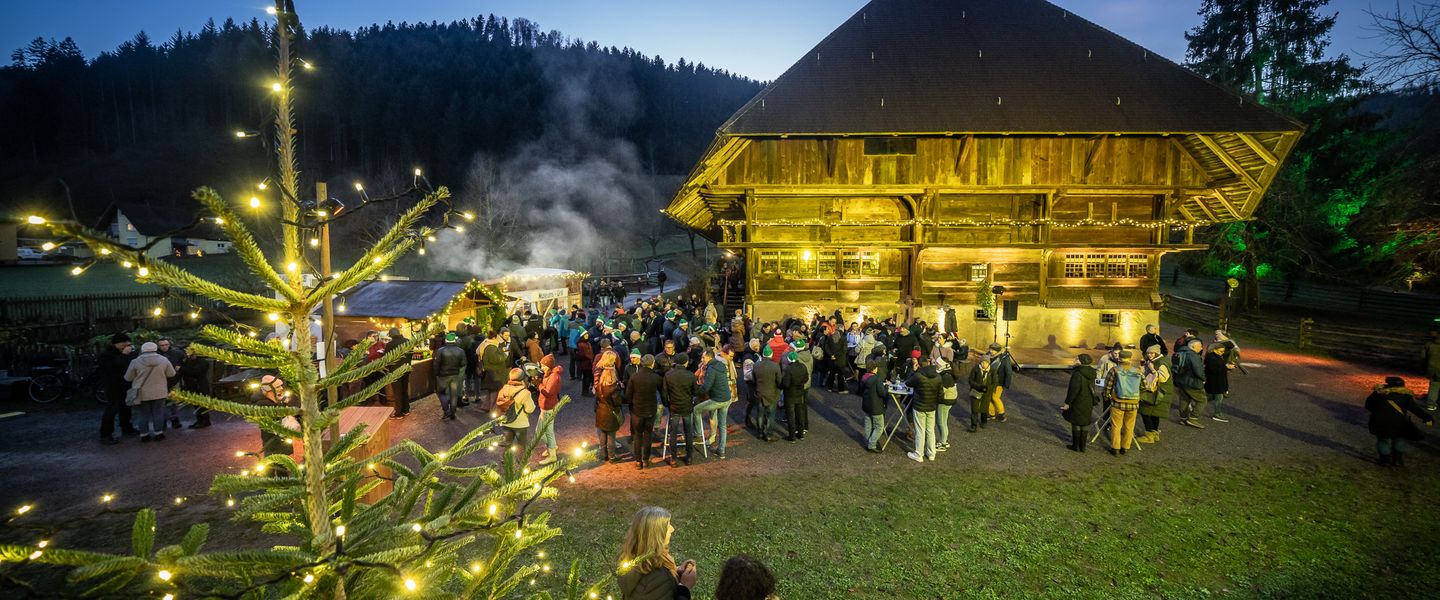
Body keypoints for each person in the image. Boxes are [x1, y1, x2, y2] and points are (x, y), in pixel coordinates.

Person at [616, 507, 697, 600]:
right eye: (668, 526)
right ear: (657, 536)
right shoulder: (660, 578)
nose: (672, 529)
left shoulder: (631, 562)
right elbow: (659, 583)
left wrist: (675, 573)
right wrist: (684, 586)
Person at [1364, 376, 1434, 466]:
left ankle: (1385, 461)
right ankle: (1397, 460)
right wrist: (1427, 418)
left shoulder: (1378, 394)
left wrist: (1379, 411)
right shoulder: (1406, 396)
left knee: (1383, 440)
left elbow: (1368, 405)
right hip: (1399, 422)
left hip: (1381, 422)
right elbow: (1416, 409)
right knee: (1399, 439)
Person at [124, 341, 176, 442]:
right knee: (158, 413)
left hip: (142, 392)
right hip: (160, 391)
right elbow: (171, 374)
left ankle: (144, 435)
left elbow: (128, 378)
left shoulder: (135, 361)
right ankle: (159, 433)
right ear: (156, 348)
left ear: (143, 350)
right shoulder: (164, 360)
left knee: (143, 414)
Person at [98, 333, 138, 444]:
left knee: (126, 407)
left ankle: (127, 428)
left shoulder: (127, 353)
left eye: (128, 344)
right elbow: (112, 367)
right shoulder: (106, 355)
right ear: (115, 344)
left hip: (125, 384)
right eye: (123, 344)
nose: (125, 346)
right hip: (113, 386)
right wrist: (124, 355)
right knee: (112, 409)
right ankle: (106, 435)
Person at [692, 348, 733, 458]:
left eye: (703, 357)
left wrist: (696, 392)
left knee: (696, 410)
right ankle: (721, 451)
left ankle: (698, 435)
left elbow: (707, 386)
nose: (702, 359)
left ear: (709, 357)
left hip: (718, 399)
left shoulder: (711, 368)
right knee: (722, 425)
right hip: (726, 398)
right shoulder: (720, 365)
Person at [626, 354, 664, 470]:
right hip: (650, 410)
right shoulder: (656, 377)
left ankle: (638, 461)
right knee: (648, 434)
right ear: (652, 364)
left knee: (637, 435)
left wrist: (632, 405)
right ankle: (646, 460)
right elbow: (663, 393)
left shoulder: (634, 377)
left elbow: (628, 396)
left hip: (637, 410)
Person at [1103, 350, 1143, 456]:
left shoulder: (1114, 370)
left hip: (1118, 403)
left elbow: (1108, 386)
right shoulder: (1138, 370)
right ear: (1130, 358)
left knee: (1116, 426)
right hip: (1133, 403)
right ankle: (1125, 447)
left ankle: (1115, 448)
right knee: (1129, 426)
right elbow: (1143, 386)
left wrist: (1107, 396)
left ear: (1119, 358)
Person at [662, 354, 698, 466]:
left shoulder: (668, 375)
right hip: (686, 406)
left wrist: (667, 404)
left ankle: (673, 458)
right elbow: (695, 391)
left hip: (674, 406)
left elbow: (664, 393)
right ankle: (689, 457)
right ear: (685, 362)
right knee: (688, 432)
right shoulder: (690, 375)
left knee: (673, 433)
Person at [905, 357, 942, 463]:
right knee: (930, 430)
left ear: (919, 365)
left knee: (920, 430)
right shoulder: (938, 376)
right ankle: (931, 453)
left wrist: (913, 371)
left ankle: (918, 453)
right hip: (931, 407)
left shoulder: (918, 376)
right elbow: (940, 394)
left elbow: (907, 383)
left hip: (919, 406)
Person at [497, 368, 536, 461]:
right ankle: (521, 463)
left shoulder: (504, 389)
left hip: (506, 422)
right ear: (522, 379)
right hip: (520, 424)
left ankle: (506, 462)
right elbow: (530, 409)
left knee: (507, 443)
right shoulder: (525, 393)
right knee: (521, 445)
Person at [250, 375, 295, 458]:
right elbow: (277, 418)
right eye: (278, 387)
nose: (281, 388)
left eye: (281, 386)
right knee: (275, 462)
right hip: (273, 442)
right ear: (269, 390)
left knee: (283, 461)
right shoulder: (263, 404)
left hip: (280, 441)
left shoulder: (275, 400)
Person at [1061, 354, 1098, 452]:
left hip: (1078, 400)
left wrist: (1067, 403)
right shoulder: (1092, 372)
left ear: (1081, 361)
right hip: (1088, 400)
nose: (1075, 360)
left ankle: (1076, 446)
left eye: (1077, 358)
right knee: (1085, 422)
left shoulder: (1077, 373)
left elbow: (1073, 390)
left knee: (1076, 422)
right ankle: (1083, 446)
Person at [594, 341, 624, 462]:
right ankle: (612, 456)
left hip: (600, 409)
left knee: (603, 434)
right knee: (611, 435)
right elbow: (617, 401)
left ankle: (602, 454)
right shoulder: (613, 385)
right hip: (610, 411)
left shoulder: (599, 379)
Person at [1137, 345, 1173, 444]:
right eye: (1148, 353)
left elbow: (1162, 378)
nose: (1149, 355)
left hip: (1157, 393)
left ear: (1157, 353)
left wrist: (1152, 369)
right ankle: (1154, 434)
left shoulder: (1162, 363)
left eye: (1152, 353)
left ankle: (1149, 436)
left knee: (1145, 412)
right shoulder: (1154, 361)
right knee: (1154, 414)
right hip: (1157, 393)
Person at [1174, 339, 1208, 429]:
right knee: (1202, 400)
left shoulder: (1180, 352)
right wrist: (1204, 378)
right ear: (1193, 347)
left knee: (1184, 399)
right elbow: (1198, 370)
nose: (1201, 348)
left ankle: (1183, 418)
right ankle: (1193, 418)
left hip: (1180, 380)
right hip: (1192, 382)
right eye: (1200, 346)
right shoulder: (1194, 356)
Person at [751, 346, 782, 441]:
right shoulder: (775, 366)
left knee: (760, 414)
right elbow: (779, 381)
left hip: (759, 393)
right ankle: (769, 435)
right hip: (772, 394)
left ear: (763, 354)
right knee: (770, 416)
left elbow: (753, 380)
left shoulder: (756, 365)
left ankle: (760, 433)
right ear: (771, 354)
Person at [180, 344, 215, 429]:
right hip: (192, 385)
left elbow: (196, 372)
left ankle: (205, 421)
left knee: (202, 404)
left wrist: (181, 369)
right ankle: (200, 420)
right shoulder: (188, 360)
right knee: (196, 404)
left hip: (200, 386)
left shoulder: (202, 362)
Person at [434, 332, 467, 420]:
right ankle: (453, 412)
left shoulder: (441, 350)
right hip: (455, 375)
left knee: (441, 393)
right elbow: (463, 363)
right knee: (454, 394)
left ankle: (446, 411)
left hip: (443, 375)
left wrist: (436, 374)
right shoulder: (460, 351)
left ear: (446, 340)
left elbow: (436, 364)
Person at [536, 354, 563, 461]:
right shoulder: (549, 374)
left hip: (548, 407)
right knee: (540, 431)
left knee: (547, 431)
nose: (542, 368)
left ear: (549, 365)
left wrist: (539, 385)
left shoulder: (554, 376)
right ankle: (552, 447)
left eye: (543, 365)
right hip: (545, 406)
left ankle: (552, 454)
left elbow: (548, 392)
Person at [156, 338, 185, 429]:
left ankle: (175, 418)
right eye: (162, 345)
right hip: (160, 382)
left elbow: (183, 364)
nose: (164, 347)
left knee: (175, 401)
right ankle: (163, 420)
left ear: (169, 344)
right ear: (158, 346)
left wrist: (179, 371)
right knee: (161, 402)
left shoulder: (177, 353)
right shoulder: (155, 355)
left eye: (166, 344)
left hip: (174, 380)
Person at [384, 327, 411, 419]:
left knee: (397, 391)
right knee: (404, 389)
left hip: (395, 370)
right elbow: (411, 354)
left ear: (391, 335)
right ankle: (406, 409)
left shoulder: (389, 345)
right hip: (406, 369)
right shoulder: (408, 341)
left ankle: (399, 413)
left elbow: (386, 359)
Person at [860, 360, 887, 452]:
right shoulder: (877, 379)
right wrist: (886, 387)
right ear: (875, 369)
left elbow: (860, 391)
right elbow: (882, 393)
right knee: (879, 426)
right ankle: (872, 444)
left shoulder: (864, 377)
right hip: (876, 407)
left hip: (867, 405)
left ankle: (868, 442)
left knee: (868, 424)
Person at [480, 330, 510, 411]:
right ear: (494, 337)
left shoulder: (487, 345)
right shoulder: (491, 347)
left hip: (491, 372)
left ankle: (485, 406)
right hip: (495, 373)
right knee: (495, 392)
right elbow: (496, 359)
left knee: (491, 391)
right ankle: (493, 409)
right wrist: (505, 355)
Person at [987, 343, 1018, 422]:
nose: (990, 351)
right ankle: (991, 414)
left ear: (997, 351)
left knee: (994, 397)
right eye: (990, 349)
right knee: (988, 397)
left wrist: (1006, 384)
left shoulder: (1004, 358)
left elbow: (1008, 372)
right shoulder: (988, 356)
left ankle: (1001, 413)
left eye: (992, 350)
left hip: (999, 382)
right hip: (988, 381)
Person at [935, 356, 960, 451]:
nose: (936, 365)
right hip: (949, 399)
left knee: (941, 422)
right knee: (943, 421)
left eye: (937, 363)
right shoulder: (947, 373)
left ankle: (943, 443)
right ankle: (944, 440)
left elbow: (941, 391)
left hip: (945, 401)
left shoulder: (945, 376)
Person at [1204, 342, 1231, 423]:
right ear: (1214, 350)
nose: (1222, 353)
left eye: (1223, 351)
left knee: (1211, 396)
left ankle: (1195, 405)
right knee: (1218, 398)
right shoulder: (1211, 358)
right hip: (1215, 381)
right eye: (1221, 351)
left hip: (1218, 381)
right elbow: (1213, 369)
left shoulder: (1217, 356)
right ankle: (1217, 414)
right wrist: (1226, 367)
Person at [967, 355, 991, 432]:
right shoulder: (975, 369)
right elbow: (971, 380)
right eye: (983, 362)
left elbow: (995, 382)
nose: (984, 364)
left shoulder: (992, 371)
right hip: (976, 391)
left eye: (986, 363)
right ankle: (973, 425)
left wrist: (988, 388)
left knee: (984, 408)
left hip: (986, 393)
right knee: (974, 409)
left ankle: (984, 421)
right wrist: (979, 386)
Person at [1425, 332, 1440, 411]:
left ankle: (1431, 404)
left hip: (1433, 369)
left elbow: (1423, 357)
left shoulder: (1429, 345)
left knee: (1434, 386)